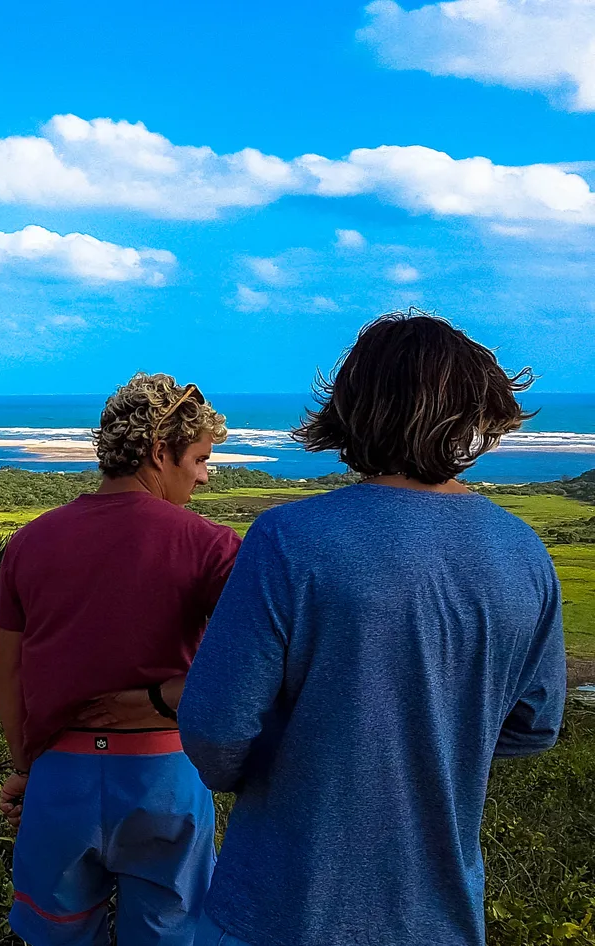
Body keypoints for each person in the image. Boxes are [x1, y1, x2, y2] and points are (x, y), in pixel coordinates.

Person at [180, 312, 566, 946]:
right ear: (477, 417)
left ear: (353, 409)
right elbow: (535, 726)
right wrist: (435, 751)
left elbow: (214, 730)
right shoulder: (523, 553)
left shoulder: (288, 541)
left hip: (279, 908)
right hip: (439, 916)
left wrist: (305, 762)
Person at [0, 372, 241, 946]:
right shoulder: (211, 546)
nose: (203, 476)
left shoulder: (32, 540)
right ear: (158, 452)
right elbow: (265, 656)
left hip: (61, 777)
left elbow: (10, 673)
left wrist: (26, 768)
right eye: (198, 459)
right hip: (165, 779)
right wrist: (167, 698)